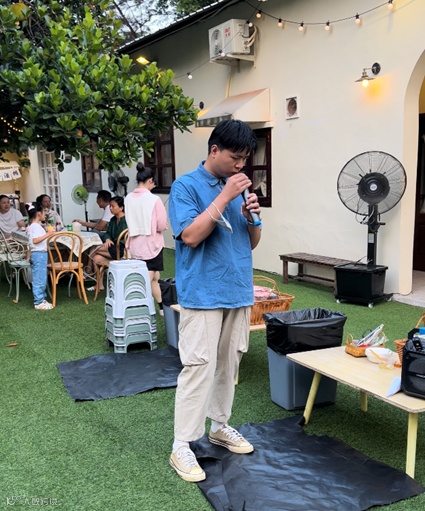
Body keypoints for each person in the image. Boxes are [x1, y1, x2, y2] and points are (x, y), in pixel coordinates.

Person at [168, 119, 261, 482]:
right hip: (203, 293)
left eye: (245, 159)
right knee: (199, 366)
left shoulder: (237, 189)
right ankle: (181, 444)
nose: (240, 165)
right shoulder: (185, 186)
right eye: (235, 157)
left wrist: (251, 217)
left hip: (237, 289)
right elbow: (190, 236)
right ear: (214, 150)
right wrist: (224, 197)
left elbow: (252, 242)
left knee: (228, 364)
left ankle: (219, 426)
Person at [124, 164, 168, 315]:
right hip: (151, 244)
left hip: (135, 245)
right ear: (150, 180)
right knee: (146, 279)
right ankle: (138, 311)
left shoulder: (128, 198)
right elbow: (161, 225)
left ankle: (161, 307)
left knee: (154, 277)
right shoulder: (154, 199)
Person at [88, 196, 128, 292]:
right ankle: (99, 285)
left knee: (93, 249)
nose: (110, 208)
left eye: (113, 206)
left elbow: (124, 239)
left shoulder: (126, 220)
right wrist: (107, 239)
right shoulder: (113, 220)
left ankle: (87, 271)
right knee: (96, 258)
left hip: (122, 249)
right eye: (110, 206)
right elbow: (107, 233)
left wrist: (112, 242)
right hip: (112, 247)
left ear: (121, 208)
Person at [25, 202, 55, 310]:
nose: (44, 214)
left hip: (37, 254)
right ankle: (39, 302)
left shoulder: (31, 226)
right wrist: (48, 234)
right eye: (43, 212)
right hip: (39, 254)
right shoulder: (36, 227)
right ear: (39, 213)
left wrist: (28, 255)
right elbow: (35, 240)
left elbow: (31, 243)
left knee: (41, 277)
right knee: (39, 279)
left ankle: (41, 299)